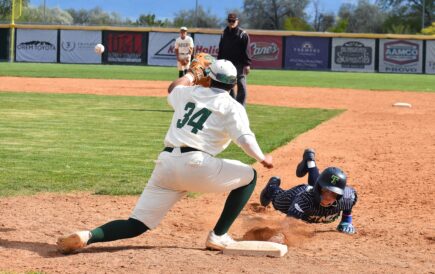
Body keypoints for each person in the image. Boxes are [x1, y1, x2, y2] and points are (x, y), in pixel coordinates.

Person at [56, 59, 273, 254]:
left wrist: (190, 75)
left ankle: (87, 236)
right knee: (250, 176)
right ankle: (219, 235)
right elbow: (244, 139)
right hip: (198, 166)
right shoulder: (231, 106)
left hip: (166, 165)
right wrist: (263, 158)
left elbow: (172, 89)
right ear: (233, 83)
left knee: (137, 224)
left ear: (209, 78)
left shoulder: (189, 93)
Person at [260, 148, 357, 234]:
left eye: (333, 193)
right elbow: (287, 226)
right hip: (296, 195)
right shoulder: (304, 200)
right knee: (277, 202)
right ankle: (272, 187)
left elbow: (348, 205)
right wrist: (282, 235)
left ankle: (310, 161)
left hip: (316, 190)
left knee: (321, 183)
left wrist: (346, 221)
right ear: (318, 189)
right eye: (325, 191)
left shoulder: (348, 198)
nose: (328, 197)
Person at [218, 13, 251, 106]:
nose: (231, 22)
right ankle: (231, 106)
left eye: (233, 21)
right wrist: (219, 61)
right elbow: (221, 48)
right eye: (230, 21)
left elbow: (247, 50)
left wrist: (247, 64)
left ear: (237, 21)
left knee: (241, 85)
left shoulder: (242, 34)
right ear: (227, 21)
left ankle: (240, 106)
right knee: (229, 86)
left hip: (239, 64)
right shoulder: (224, 33)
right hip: (227, 64)